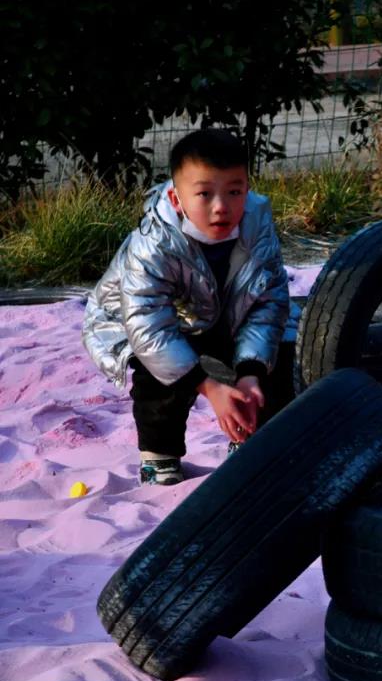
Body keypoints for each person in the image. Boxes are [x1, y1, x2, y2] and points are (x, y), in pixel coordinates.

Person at [82, 128, 291, 485]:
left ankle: (249, 437)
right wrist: (208, 387)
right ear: (176, 199)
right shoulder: (155, 243)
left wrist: (250, 370)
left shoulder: (257, 226)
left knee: (277, 358)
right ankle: (159, 456)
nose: (221, 206)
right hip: (148, 322)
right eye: (205, 194)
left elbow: (268, 301)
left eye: (234, 191)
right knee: (158, 374)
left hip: (220, 312)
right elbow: (147, 322)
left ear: (247, 189)